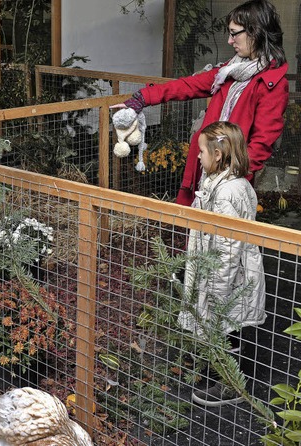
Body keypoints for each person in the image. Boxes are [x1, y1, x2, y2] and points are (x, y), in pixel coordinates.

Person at [112, 0, 288, 207]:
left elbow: (262, 142)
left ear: (255, 32)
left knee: (223, 236)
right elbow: (187, 86)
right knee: (194, 231)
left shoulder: (272, 84)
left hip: (230, 181)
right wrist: (141, 99)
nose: (230, 41)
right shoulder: (228, 72)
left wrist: (231, 176)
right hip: (203, 164)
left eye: (234, 33)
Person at [178, 121, 265, 407]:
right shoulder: (219, 182)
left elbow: (228, 248)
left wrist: (217, 291)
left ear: (217, 155)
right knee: (227, 327)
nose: (198, 157)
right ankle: (221, 373)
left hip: (230, 277)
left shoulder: (228, 192)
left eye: (201, 151)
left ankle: (231, 386)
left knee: (227, 324)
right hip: (218, 269)